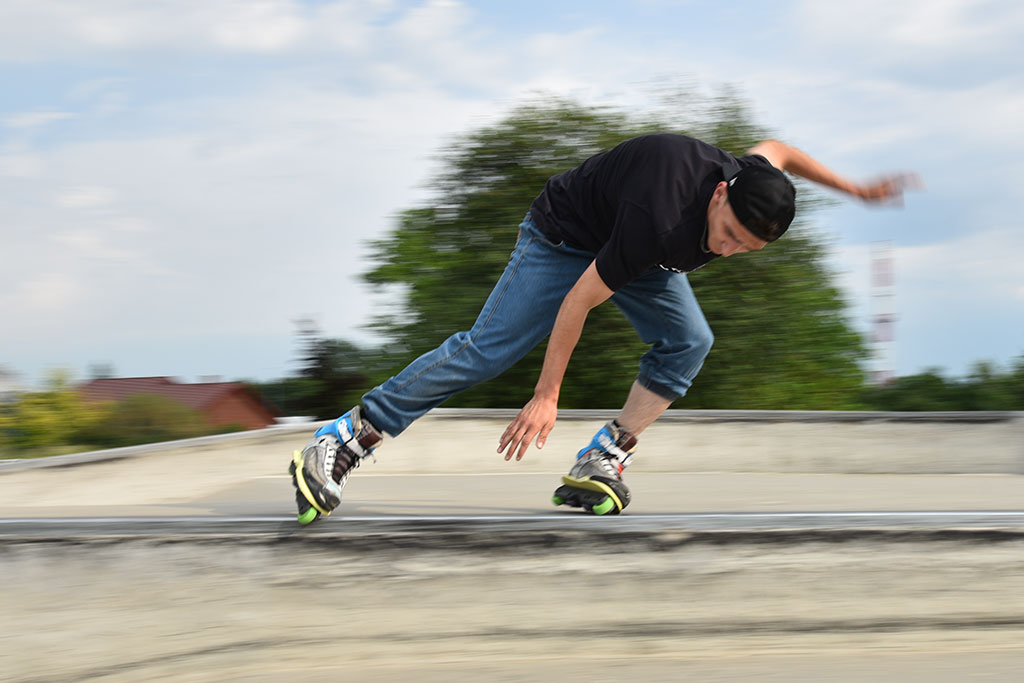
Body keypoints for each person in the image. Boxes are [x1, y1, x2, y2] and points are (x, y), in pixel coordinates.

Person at [288, 132, 915, 525]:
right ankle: (347, 436)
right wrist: (546, 395)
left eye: (744, 250)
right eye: (727, 236)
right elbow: (577, 303)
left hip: (630, 254)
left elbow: (781, 150)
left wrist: (855, 189)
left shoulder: (747, 177)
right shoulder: (660, 217)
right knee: (489, 351)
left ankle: (603, 457)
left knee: (691, 341)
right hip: (562, 239)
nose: (726, 252)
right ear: (718, 195)